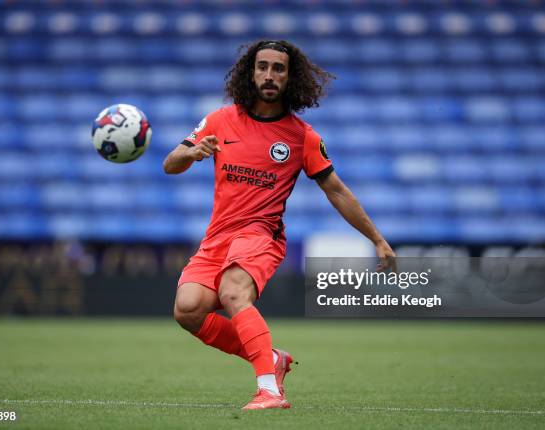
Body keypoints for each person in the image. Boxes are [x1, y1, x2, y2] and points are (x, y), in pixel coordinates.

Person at [163, 40, 396, 410]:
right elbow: (170, 163)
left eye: (279, 68)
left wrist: (377, 239)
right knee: (187, 310)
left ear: (291, 78)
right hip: (218, 237)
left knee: (233, 292)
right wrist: (189, 153)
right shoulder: (219, 120)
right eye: (263, 66)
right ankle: (271, 359)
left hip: (261, 235)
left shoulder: (302, 137)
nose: (269, 75)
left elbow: (336, 191)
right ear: (250, 72)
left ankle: (269, 390)